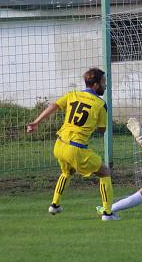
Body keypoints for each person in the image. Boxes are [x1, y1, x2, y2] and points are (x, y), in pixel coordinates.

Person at [26, 67, 118, 221]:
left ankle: (54, 205)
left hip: (59, 145)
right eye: (103, 82)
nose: (105, 85)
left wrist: (36, 122)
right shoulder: (101, 104)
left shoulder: (72, 95)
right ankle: (107, 213)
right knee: (104, 172)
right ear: (95, 85)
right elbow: (102, 130)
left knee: (67, 172)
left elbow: (53, 106)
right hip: (76, 148)